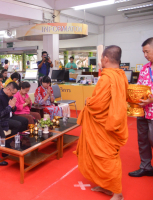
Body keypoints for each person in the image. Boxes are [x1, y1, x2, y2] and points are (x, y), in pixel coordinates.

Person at [74, 45, 128, 200]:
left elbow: (97, 104)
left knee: (107, 157)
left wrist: (87, 101)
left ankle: (117, 193)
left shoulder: (107, 78)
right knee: (102, 156)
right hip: (112, 120)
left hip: (105, 125)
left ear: (105, 59)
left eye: (101, 59)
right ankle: (107, 186)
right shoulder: (121, 75)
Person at [129, 37, 153, 178]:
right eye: (143, 52)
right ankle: (145, 166)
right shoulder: (145, 68)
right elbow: (139, 87)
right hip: (142, 111)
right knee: (142, 139)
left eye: (147, 51)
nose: (145, 55)